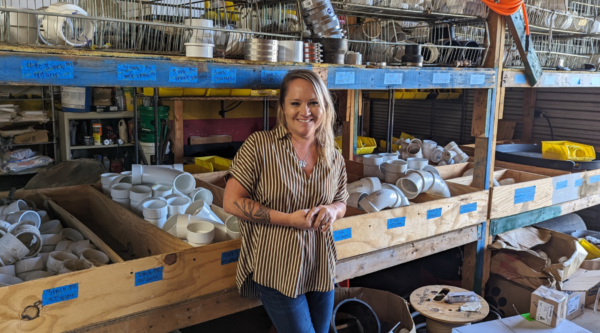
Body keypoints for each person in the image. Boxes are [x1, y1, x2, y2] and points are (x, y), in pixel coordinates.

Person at [223, 69, 349, 333]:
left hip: (320, 266)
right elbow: (231, 202)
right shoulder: (260, 146)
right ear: (282, 107)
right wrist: (288, 220)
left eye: (314, 102)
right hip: (277, 269)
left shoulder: (333, 154)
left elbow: (341, 202)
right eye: (296, 103)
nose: (305, 111)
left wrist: (331, 211)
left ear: (324, 106)